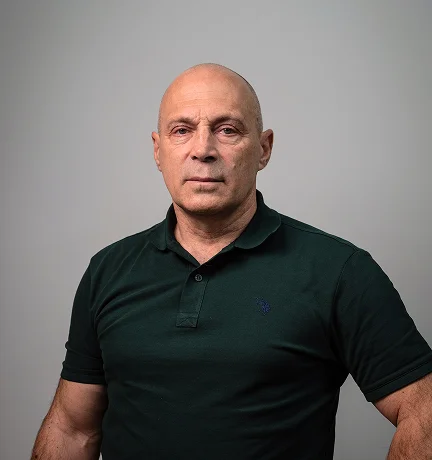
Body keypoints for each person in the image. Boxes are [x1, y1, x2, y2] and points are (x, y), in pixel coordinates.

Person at [31, 63, 432, 460]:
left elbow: (423, 410)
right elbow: (72, 429)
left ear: (263, 149)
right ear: (158, 150)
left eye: (227, 130)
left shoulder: (338, 271)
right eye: (182, 130)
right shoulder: (108, 270)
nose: (202, 150)